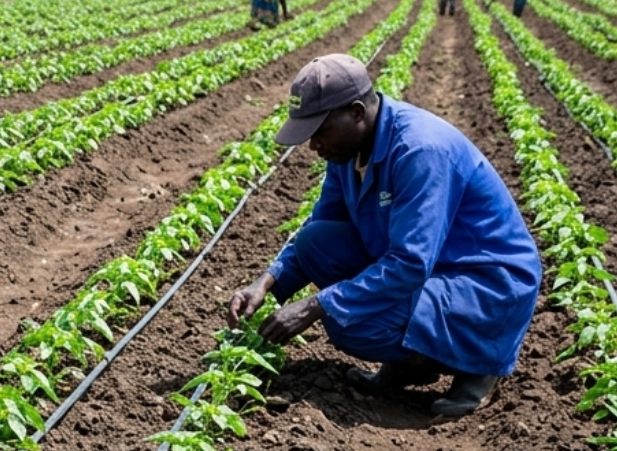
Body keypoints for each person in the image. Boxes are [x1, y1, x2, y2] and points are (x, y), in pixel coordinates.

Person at [228, 54, 541, 417]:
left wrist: (317, 305)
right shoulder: (347, 153)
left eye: (320, 132)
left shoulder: (420, 151)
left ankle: (476, 363)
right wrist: (266, 282)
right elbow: (318, 227)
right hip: (433, 267)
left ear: (357, 112)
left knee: (348, 323)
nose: (314, 147)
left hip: (484, 284)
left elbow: (410, 263)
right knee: (317, 242)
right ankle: (415, 360)